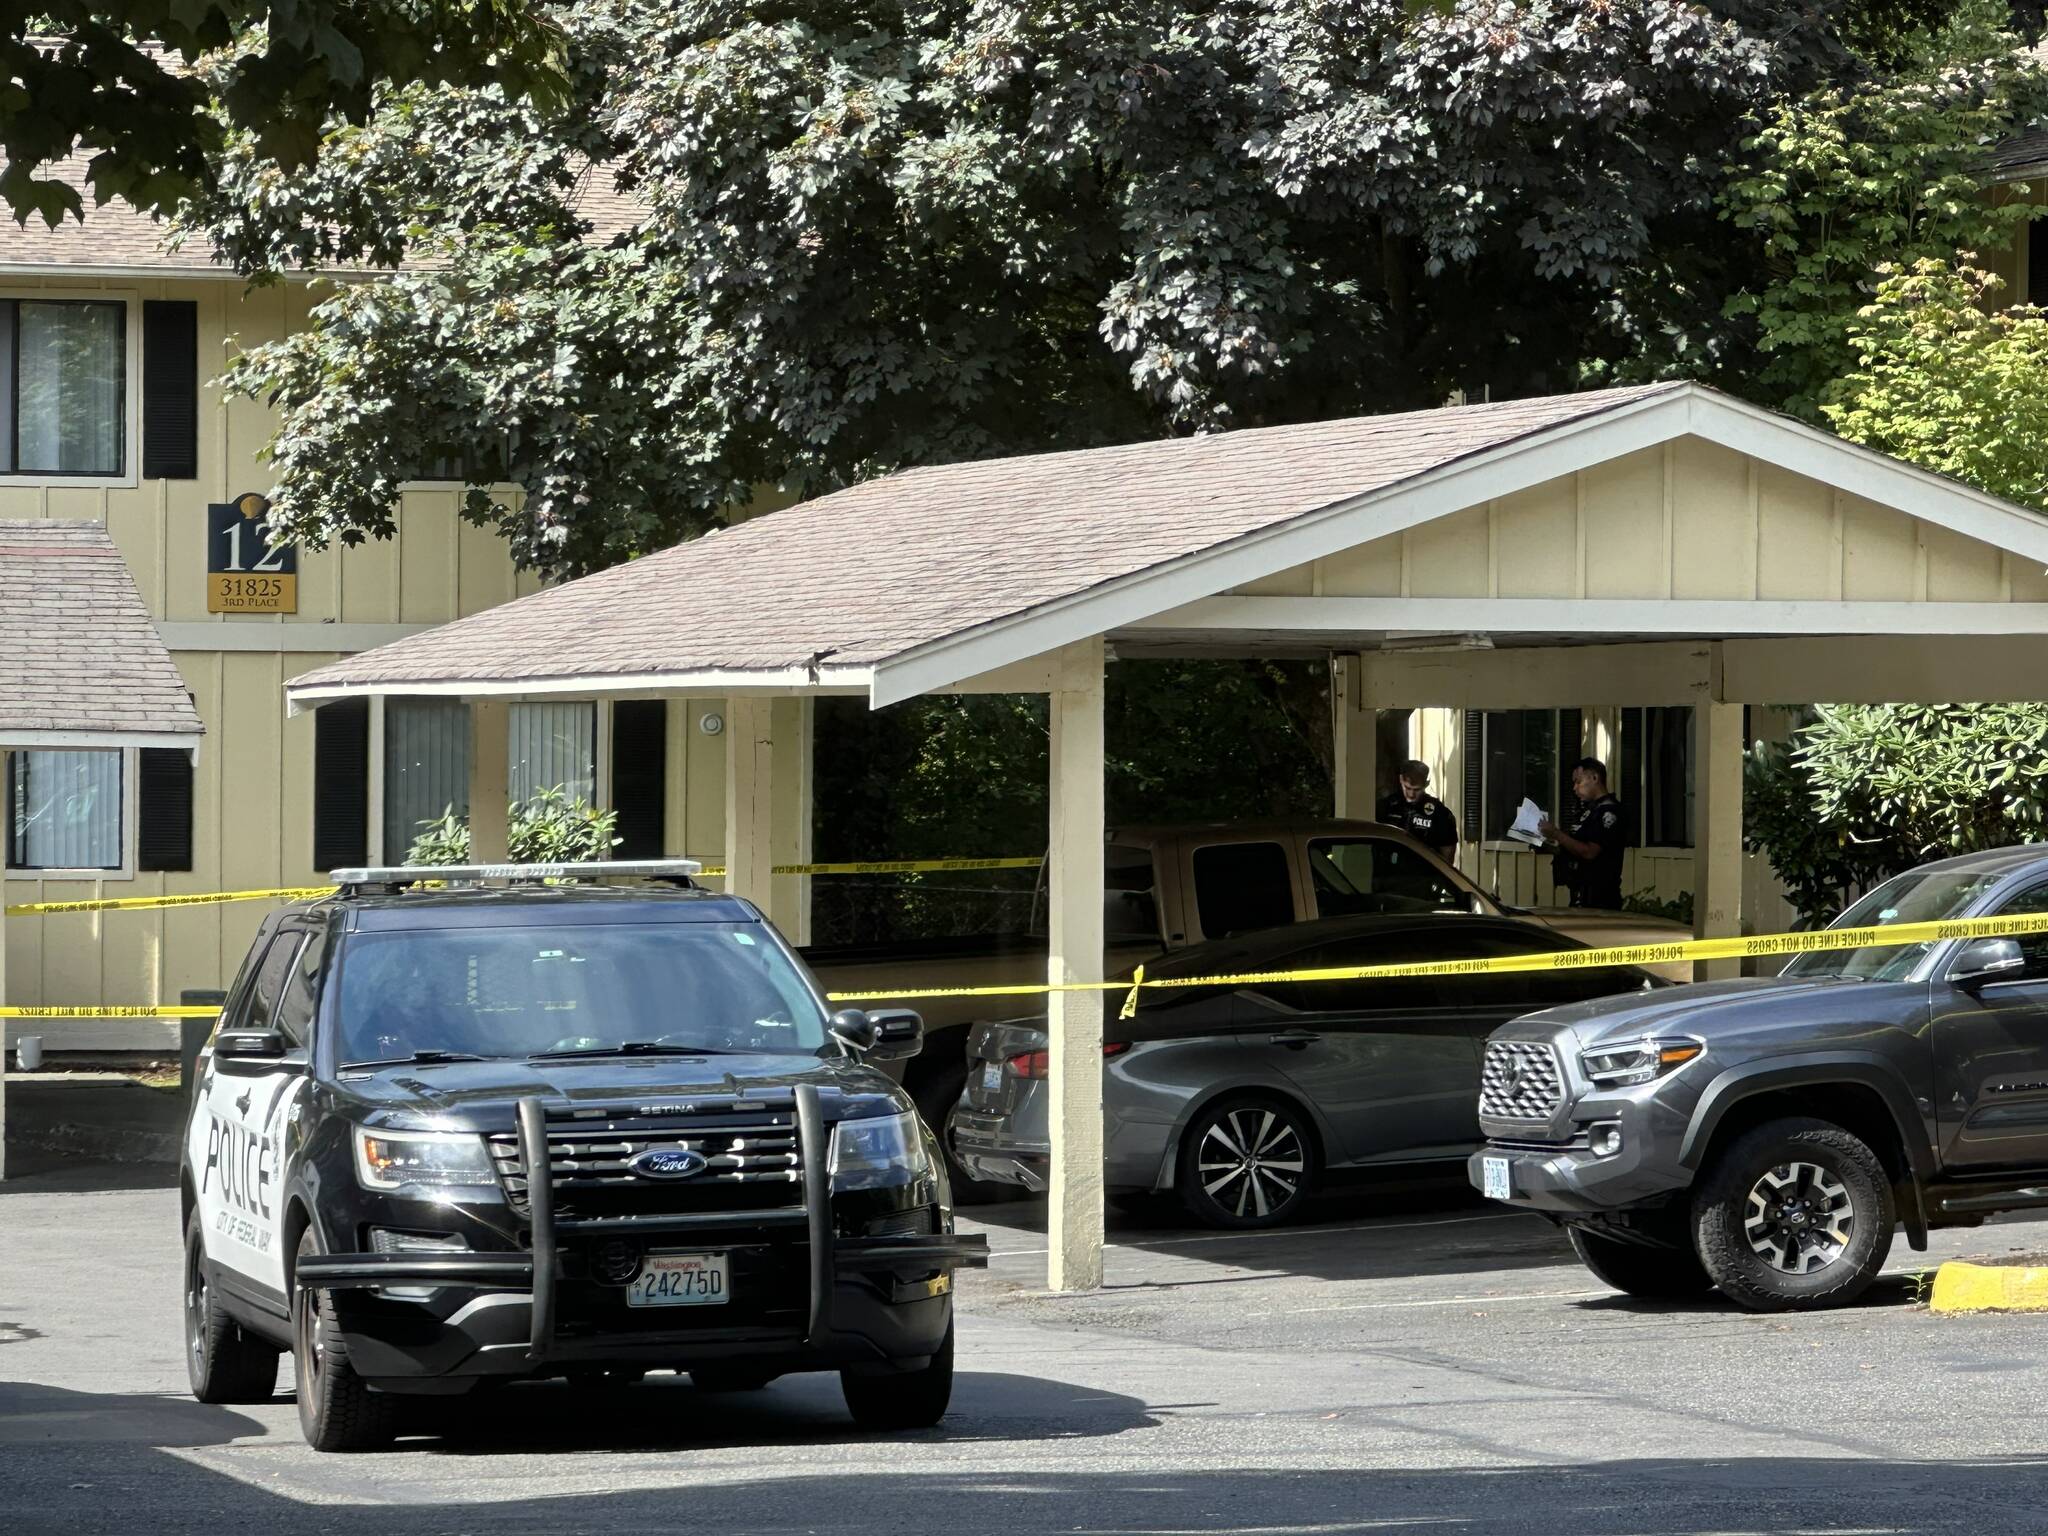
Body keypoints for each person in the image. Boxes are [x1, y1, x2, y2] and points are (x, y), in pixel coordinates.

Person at [1539, 757, 1627, 909]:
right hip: (1580, 895)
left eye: (1578, 782)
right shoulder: (1589, 811)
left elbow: (1589, 852)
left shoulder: (1609, 812)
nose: (1574, 788)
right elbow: (1575, 847)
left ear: (1594, 778)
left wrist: (1556, 833)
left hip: (1600, 900)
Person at [1377, 759, 1459, 859]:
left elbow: (1447, 857)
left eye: (1417, 789)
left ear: (1426, 784)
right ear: (1401, 780)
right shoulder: (1387, 806)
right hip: (1390, 871)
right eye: (1407, 788)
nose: (1411, 795)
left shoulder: (1439, 813)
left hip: (1422, 872)